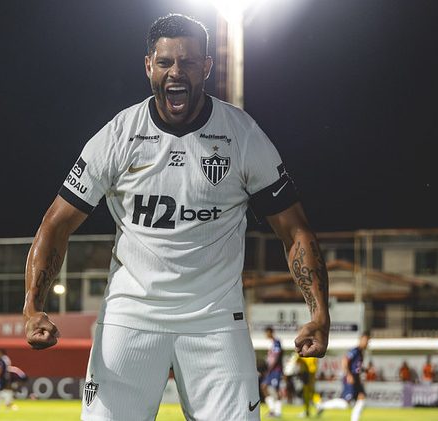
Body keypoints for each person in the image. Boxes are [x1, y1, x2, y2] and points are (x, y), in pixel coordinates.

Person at [22, 13, 331, 421]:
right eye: (165, 62)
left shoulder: (242, 135)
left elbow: (295, 231)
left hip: (216, 321)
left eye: (187, 62)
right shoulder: (118, 136)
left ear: (207, 66)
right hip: (131, 317)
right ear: (149, 65)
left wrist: (320, 312)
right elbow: (55, 225)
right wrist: (32, 308)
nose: (176, 72)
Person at [316, 332, 370, 421]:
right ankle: (322, 405)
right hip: (350, 379)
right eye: (365, 340)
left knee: (361, 398)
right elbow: (345, 360)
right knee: (345, 403)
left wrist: (364, 370)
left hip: (356, 379)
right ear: (361, 340)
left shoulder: (361, 353)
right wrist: (348, 375)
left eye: (368, 341)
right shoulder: (355, 351)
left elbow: (357, 367)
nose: (367, 343)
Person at [262, 327, 284, 418]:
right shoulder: (271, 343)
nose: (266, 335)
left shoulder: (276, 342)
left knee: (276, 390)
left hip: (276, 370)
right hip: (271, 370)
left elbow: (277, 357)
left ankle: (278, 412)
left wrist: (270, 368)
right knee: (264, 387)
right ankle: (272, 410)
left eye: (267, 332)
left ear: (271, 332)